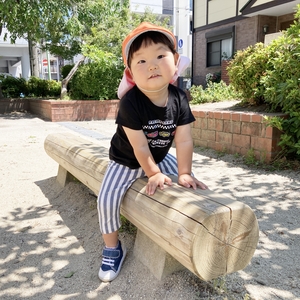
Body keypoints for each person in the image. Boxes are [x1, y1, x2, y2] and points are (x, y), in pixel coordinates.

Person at [97, 22, 208, 282]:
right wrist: (154, 174)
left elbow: (183, 140)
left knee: (188, 184)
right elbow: (139, 146)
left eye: (160, 56)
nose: (152, 65)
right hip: (126, 160)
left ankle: (191, 231)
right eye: (142, 61)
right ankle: (112, 247)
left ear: (175, 60)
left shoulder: (179, 97)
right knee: (106, 198)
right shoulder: (130, 102)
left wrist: (184, 171)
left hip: (158, 157)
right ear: (131, 74)